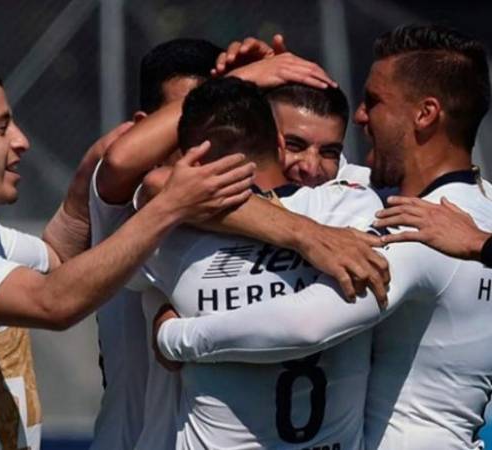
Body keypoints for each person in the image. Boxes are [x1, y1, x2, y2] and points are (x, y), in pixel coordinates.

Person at [0, 50, 253, 449]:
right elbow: (53, 302)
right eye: (1, 127)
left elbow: (58, 259)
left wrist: (92, 173)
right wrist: (170, 206)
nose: (21, 141)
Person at [154, 25, 492, 449]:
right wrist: (267, 96)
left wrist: (174, 338)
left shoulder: (417, 229)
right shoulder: (480, 210)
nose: (362, 117)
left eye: (375, 101)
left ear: (425, 114)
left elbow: (307, 325)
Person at [137, 76, 384, 449]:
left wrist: (167, 329)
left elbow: (144, 180)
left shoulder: (171, 236)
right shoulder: (352, 210)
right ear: (277, 144)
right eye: (295, 145)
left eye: (329, 152)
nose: (311, 167)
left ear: (195, 161)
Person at [89, 37, 227, 450]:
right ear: (145, 125)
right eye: (185, 122)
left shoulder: (240, 197)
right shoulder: (124, 204)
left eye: (216, 121)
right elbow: (118, 161)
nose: (201, 143)